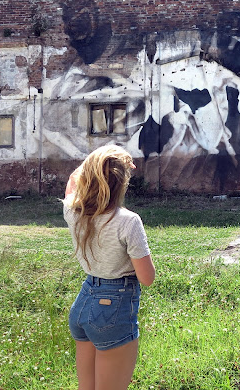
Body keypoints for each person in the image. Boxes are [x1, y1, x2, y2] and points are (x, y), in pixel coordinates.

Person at [64, 144, 155, 390]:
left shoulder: (74, 211)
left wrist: (104, 154)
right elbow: (147, 278)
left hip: (83, 303)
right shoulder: (128, 221)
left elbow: (73, 180)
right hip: (113, 310)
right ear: (123, 181)